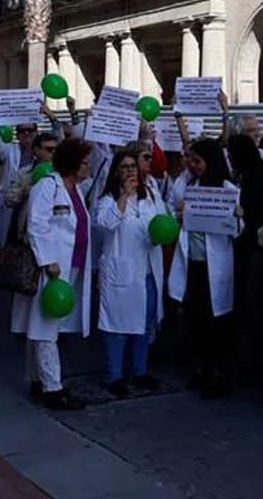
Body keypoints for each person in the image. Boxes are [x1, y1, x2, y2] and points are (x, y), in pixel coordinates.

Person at [10, 138, 95, 411]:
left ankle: (35, 378)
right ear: (72, 164)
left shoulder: (76, 190)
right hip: (52, 269)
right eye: (84, 162)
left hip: (72, 264)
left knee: (41, 326)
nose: (88, 166)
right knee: (47, 327)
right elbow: (36, 225)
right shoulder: (48, 186)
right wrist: (48, 260)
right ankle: (53, 388)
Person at [170, 138, 243, 399]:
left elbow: (236, 231)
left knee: (217, 322)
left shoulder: (226, 188)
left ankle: (219, 374)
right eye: (191, 160)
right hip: (193, 264)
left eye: (198, 161)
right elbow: (174, 207)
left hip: (216, 266)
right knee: (196, 319)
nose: (193, 165)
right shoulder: (190, 185)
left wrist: (237, 216)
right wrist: (179, 214)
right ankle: (200, 369)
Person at [95, 149, 167, 398]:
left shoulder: (151, 195)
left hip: (146, 270)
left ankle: (140, 371)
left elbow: (162, 222)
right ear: (116, 172)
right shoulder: (107, 199)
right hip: (120, 272)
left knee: (144, 325)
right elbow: (105, 223)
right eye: (124, 167)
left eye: (133, 167)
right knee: (116, 327)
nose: (130, 171)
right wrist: (124, 196)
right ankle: (114, 375)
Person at [228, 134, 263, 387]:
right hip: (248, 247)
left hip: (255, 250)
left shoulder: (256, 179)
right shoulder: (246, 175)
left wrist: (243, 216)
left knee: (255, 308)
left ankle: (259, 365)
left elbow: (259, 214)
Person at [0, 100, 62, 247]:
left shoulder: (47, 153)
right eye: (22, 131)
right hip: (15, 207)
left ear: (36, 132)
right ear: (17, 134)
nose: (27, 133)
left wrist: (50, 115)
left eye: (30, 130)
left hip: (41, 206)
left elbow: (58, 141)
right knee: (15, 245)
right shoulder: (9, 150)